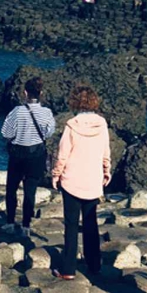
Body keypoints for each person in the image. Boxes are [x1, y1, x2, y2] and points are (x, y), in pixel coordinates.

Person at [50, 85, 112, 279]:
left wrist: (56, 175)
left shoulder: (71, 125)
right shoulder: (102, 125)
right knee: (90, 223)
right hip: (93, 181)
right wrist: (106, 171)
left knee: (71, 225)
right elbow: (106, 152)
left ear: (75, 102)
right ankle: (94, 265)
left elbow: (62, 155)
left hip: (72, 181)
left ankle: (68, 269)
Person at [1, 77, 56, 236]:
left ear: (25, 93)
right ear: (41, 93)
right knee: (30, 190)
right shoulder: (46, 113)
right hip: (36, 154)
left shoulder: (17, 111)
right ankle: (26, 225)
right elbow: (49, 133)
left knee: (11, 188)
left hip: (18, 153)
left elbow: (6, 133)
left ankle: (10, 222)